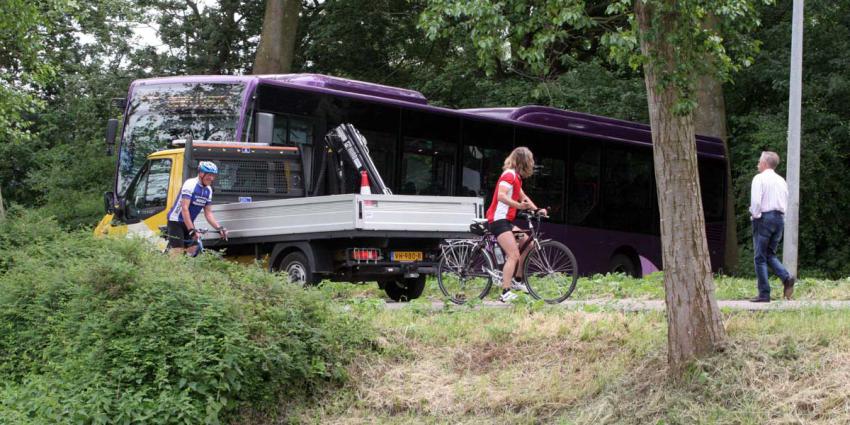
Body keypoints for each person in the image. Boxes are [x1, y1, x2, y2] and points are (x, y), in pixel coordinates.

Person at [485, 147, 547, 302]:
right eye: (530, 160)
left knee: (528, 244)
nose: (532, 163)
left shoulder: (516, 178)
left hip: (506, 223)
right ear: (523, 161)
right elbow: (501, 196)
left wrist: (537, 210)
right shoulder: (509, 175)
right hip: (498, 221)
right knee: (513, 254)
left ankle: (517, 280)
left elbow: (523, 197)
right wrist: (519, 206)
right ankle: (505, 293)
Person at [749, 151, 795, 302]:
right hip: (779, 219)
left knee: (759, 257)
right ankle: (786, 278)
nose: (758, 164)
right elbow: (786, 202)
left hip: (764, 219)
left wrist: (755, 215)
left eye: (759, 161)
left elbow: (756, 202)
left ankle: (764, 293)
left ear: (764, 163)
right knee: (770, 254)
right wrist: (782, 219)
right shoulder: (781, 180)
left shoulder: (759, 178)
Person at [166, 161, 228, 256]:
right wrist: (191, 230)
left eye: (213, 175)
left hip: (188, 222)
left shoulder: (208, 190)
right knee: (177, 253)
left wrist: (219, 228)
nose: (211, 178)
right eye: (209, 175)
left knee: (193, 250)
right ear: (201, 173)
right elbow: (185, 208)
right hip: (176, 221)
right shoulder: (190, 184)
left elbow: (208, 213)